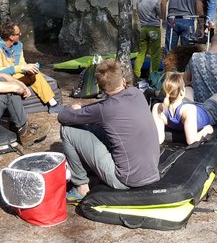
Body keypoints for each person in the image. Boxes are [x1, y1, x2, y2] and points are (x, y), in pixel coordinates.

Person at [58, 60, 160, 202]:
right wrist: (82, 110)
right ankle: (88, 169)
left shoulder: (105, 110)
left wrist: (72, 109)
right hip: (151, 172)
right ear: (123, 80)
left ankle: (81, 186)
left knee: (68, 130)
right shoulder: (136, 93)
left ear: (101, 88)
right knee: (98, 127)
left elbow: (63, 117)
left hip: (124, 180)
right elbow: (104, 106)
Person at [152, 72, 217, 146]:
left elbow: (159, 139)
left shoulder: (157, 108)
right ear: (181, 93)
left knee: (189, 88)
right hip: (207, 111)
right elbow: (192, 141)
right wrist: (206, 130)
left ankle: (188, 90)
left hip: (184, 105)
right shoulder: (189, 111)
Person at [0, 22, 63, 114]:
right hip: (1, 78)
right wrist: (21, 68)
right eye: (18, 34)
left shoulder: (18, 45)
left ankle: (53, 104)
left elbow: (21, 63)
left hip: (15, 76)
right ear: (11, 37)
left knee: (35, 74)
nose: (20, 35)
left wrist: (28, 69)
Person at [134, 0, 162, 80]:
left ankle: (136, 75)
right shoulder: (154, 2)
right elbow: (160, 15)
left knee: (141, 53)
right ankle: (153, 77)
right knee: (155, 54)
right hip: (154, 29)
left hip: (143, 29)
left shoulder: (139, 1)